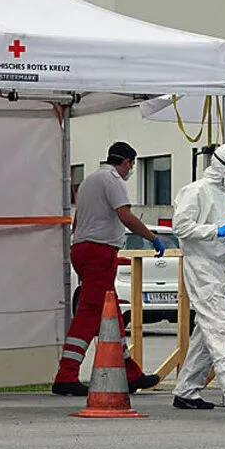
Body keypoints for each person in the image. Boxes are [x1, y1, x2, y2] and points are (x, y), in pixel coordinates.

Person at [52, 141, 165, 397]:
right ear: (126, 162)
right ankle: (66, 375)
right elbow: (125, 215)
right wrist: (152, 237)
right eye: (132, 165)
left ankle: (129, 373)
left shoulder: (89, 181)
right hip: (99, 252)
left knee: (110, 315)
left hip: (83, 248)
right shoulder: (114, 180)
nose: (131, 170)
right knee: (91, 312)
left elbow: (78, 221)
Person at [170, 143, 225, 411]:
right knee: (220, 326)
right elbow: (180, 227)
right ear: (220, 166)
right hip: (202, 266)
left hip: (222, 265)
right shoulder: (195, 191)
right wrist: (216, 230)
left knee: (206, 330)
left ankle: (186, 390)